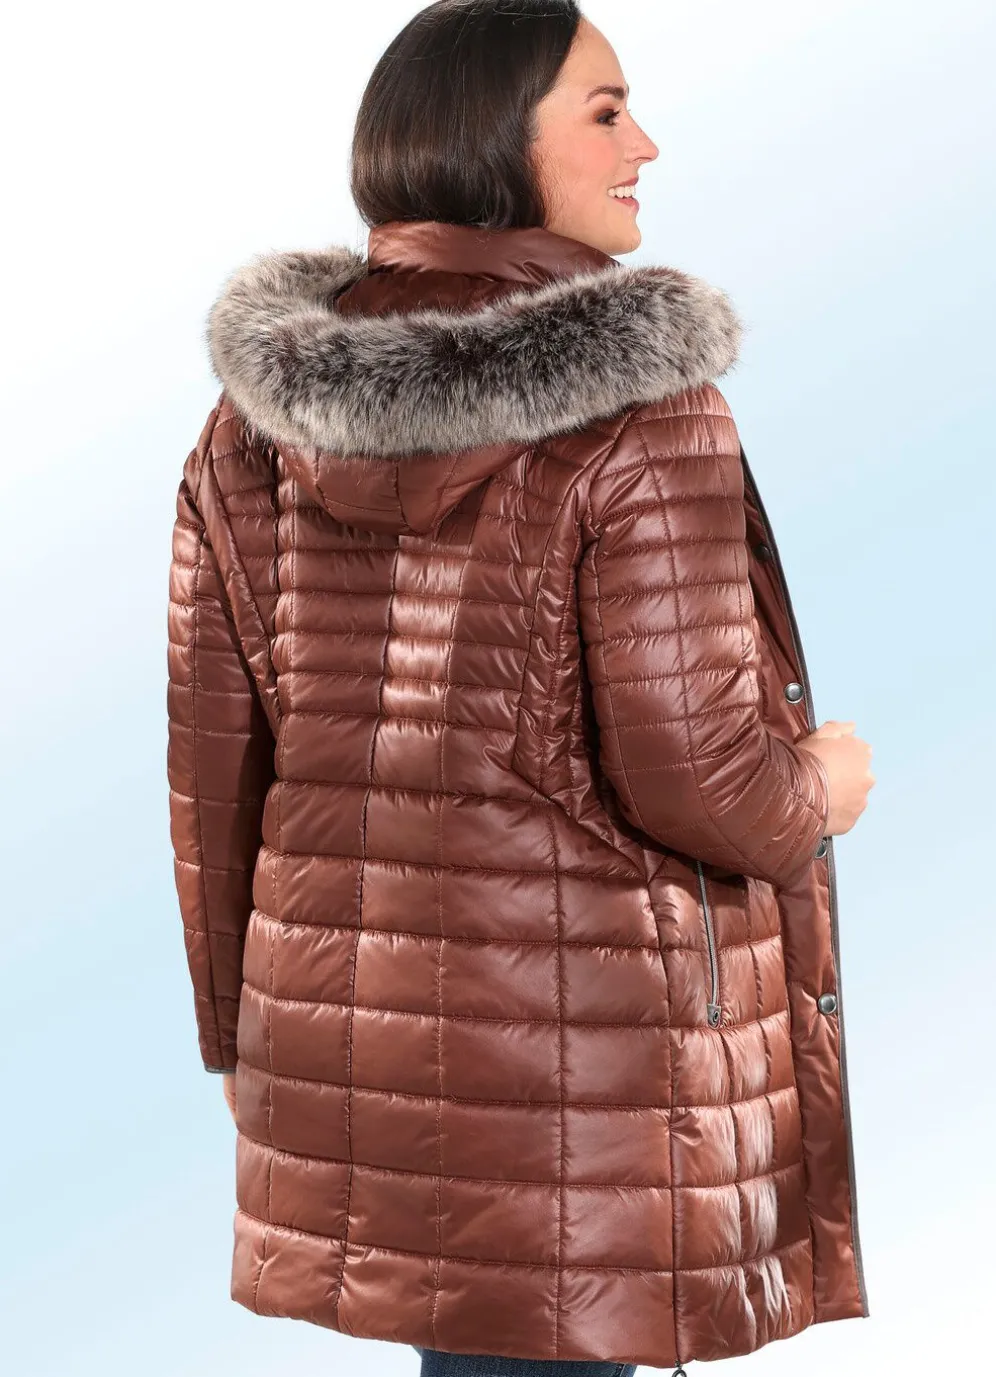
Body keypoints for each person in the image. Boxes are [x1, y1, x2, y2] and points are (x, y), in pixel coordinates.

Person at [166, 2, 875, 1374]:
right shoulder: (643, 408)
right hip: (594, 1076)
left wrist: (247, 1041)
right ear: (493, 140)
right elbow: (700, 777)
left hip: (353, 1058)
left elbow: (215, 771)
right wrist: (819, 789)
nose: (645, 145)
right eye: (606, 112)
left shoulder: (246, 426)